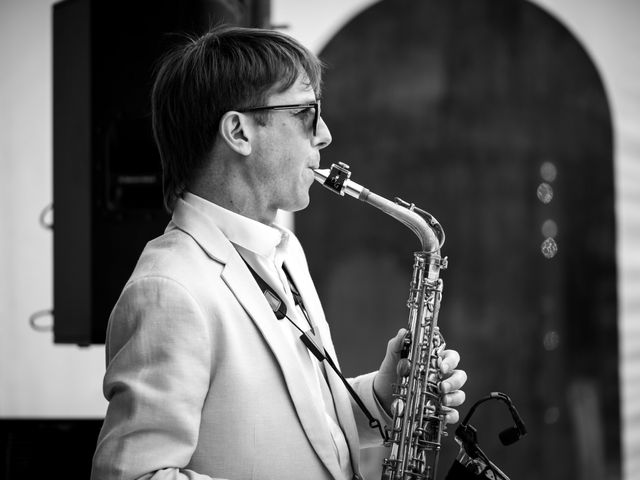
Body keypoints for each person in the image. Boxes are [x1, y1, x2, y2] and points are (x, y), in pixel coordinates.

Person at [90, 25, 467, 480]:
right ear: (238, 131)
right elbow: (134, 476)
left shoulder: (283, 254)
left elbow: (301, 424)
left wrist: (385, 397)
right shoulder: (167, 289)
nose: (324, 134)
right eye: (307, 113)